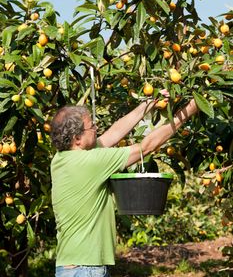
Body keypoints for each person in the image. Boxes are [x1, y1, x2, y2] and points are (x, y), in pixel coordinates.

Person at [50, 96, 198, 277]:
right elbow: (146, 147)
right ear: (77, 138)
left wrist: (148, 103)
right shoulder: (91, 162)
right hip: (85, 269)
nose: (96, 128)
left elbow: (113, 134)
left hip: (72, 267)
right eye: (92, 126)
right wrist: (188, 111)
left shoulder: (61, 159)